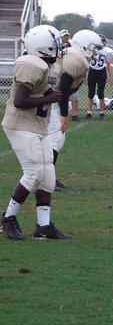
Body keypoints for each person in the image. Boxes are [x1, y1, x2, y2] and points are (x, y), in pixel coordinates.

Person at [2, 25, 71, 240]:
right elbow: (20, 101)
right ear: (43, 47)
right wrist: (48, 98)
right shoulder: (30, 64)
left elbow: (42, 90)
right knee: (33, 175)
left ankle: (44, 227)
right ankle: (7, 220)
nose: (59, 48)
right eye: (55, 45)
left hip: (38, 125)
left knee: (47, 175)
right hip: (20, 124)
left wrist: (49, 94)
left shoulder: (50, 66)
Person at [50, 29, 100, 193]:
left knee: (54, 140)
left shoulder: (73, 55)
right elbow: (63, 90)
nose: (94, 53)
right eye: (92, 48)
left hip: (50, 100)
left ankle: (48, 178)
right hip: (51, 102)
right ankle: (47, 179)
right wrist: (65, 115)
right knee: (56, 140)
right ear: (84, 46)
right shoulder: (75, 59)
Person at [85, 34, 113, 120]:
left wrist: (111, 77)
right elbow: (86, 63)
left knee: (101, 93)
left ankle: (102, 112)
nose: (101, 43)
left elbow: (108, 64)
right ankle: (89, 112)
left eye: (102, 41)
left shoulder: (107, 51)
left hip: (101, 72)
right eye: (100, 41)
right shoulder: (91, 50)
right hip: (92, 71)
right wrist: (85, 75)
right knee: (90, 93)